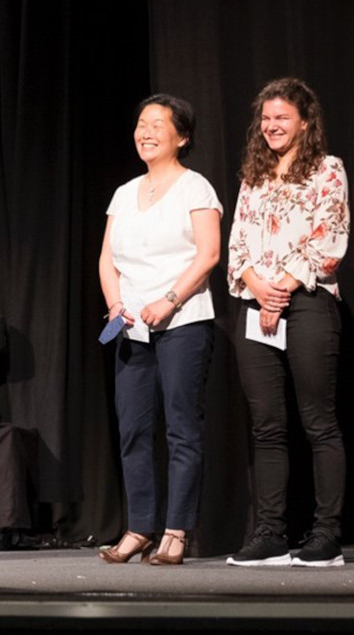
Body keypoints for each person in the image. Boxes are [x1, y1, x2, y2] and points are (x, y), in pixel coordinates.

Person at [225, 78, 350, 568]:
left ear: (304, 122)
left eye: (283, 117)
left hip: (309, 301)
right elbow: (236, 245)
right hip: (255, 306)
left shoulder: (326, 169)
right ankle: (271, 533)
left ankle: (326, 535)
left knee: (318, 422)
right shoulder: (253, 176)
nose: (272, 126)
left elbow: (329, 238)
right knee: (267, 427)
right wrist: (257, 286)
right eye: (267, 118)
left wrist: (282, 287)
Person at [97, 94, 222, 566]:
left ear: (181, 137)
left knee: (182, 429)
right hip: (129, 327)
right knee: (133, 429)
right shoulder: (124, 193)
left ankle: (176, 530)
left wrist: (168, 300)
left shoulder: (196, 189)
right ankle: (139, 527)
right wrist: (115, 306)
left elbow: (207, 255)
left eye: (157, 125)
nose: (145, 133)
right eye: (141, 124)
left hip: (182, 321)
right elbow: (107, 260)